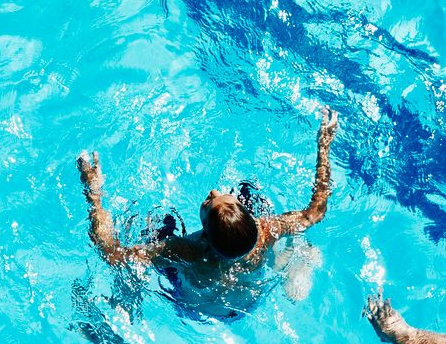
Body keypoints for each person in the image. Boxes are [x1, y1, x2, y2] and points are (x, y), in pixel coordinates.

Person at [77, 106, 338, 282]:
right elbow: (316, 211)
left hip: (191, 307)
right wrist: (324, 147)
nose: (213, 191)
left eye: (209, 201)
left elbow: (112, 255)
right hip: (242, 304)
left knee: (161, 221)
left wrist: (94, 194)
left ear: (204, 234)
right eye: (221, 197)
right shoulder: (267, 231)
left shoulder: (185, 250)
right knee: (249, 190)